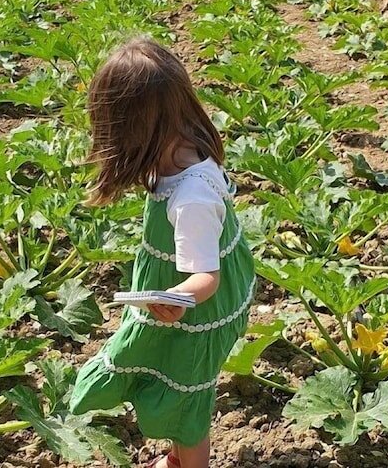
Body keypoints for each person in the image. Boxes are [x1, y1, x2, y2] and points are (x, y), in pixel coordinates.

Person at [70, 37, 256, 468]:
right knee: (170, 378)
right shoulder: (180, 145)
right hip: (180, 293)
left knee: (185, 393)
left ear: (136, 131)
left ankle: (190, 463)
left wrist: (177, 297)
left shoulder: (191, 199)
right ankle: (177, 459)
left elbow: (207, 277)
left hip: (197, 306)